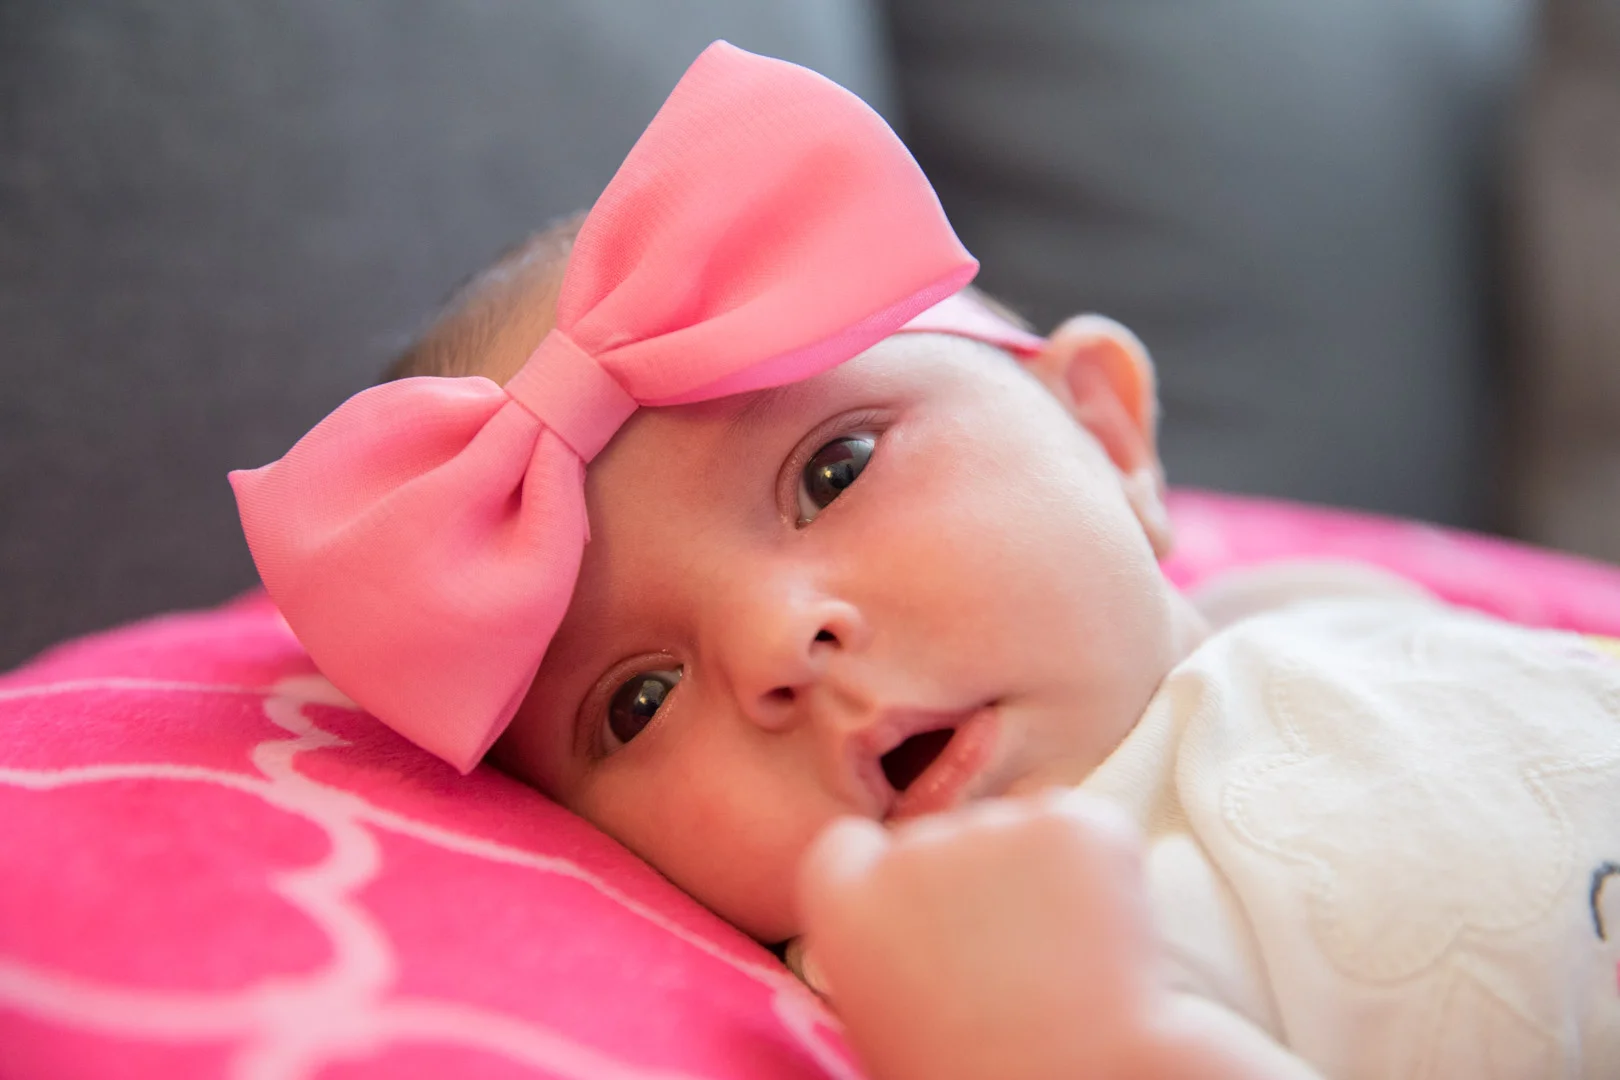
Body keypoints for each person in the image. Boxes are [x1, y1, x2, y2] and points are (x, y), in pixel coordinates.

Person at [230, 42, 1620, 1079]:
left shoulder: (1329, 616)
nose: (776, 643)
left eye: (832, 471)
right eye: (637, 701)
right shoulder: (947, 977)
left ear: (1105, 432)